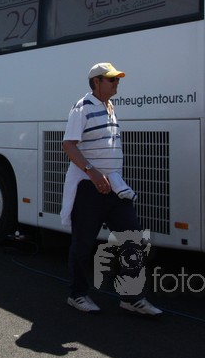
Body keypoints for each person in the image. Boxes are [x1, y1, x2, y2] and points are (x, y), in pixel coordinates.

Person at [61, 62, 162, 316]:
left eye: (117, 79)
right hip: (89, 188)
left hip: (114, 186)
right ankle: (77, 295)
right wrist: (92, 172)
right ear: (96, 82)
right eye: (111, 79)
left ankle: (131, 297)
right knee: (83, 244)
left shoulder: (109, 107)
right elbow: (69, 145)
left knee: (133, 237)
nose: (117, 83)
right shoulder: (82, 108)